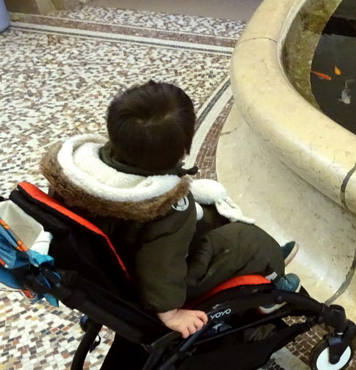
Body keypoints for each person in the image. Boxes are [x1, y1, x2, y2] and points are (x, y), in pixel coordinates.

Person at [40, 81, 299, 339]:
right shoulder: (166, 209)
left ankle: (257, 261)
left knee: (213, 216)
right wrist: (171, 313)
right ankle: (270, 280)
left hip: (120, 253)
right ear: (183, 150)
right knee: (248, 239)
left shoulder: (77, 178)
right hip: (164, 279)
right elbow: (160, 266)